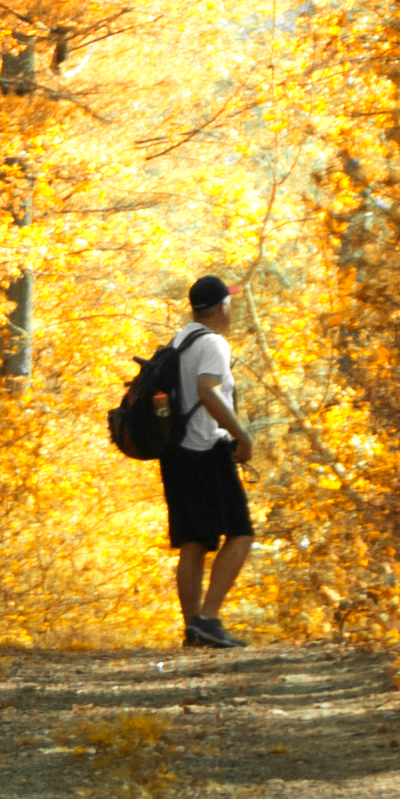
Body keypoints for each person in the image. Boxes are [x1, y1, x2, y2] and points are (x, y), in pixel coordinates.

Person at [165, 270, 254, 649]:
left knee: (194, 542)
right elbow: (208, 391)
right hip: (206, 449)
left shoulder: (181, 339)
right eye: (228, 302)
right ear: (222, 306)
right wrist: (242, 435)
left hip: (176, 452)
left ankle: (194, 628)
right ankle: (210, 617)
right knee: (241, 532)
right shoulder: (214, 343)